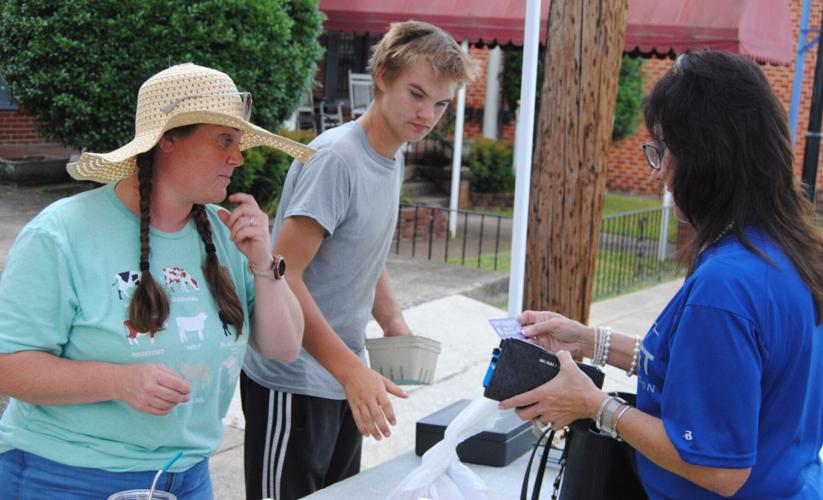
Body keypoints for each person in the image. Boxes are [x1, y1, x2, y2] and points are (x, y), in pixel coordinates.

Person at [500, 50, 823, 498]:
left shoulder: (727, 286)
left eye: (662, 151)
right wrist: (591, 341)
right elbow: (710, 372)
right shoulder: (783, 250)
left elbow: (718, 470)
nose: (661, 174)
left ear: (706, 157)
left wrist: (595, 405)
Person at [0, 63, 312, 499]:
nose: (238, 158)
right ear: (167, 141)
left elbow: (284, 348)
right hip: (66, 476)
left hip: (186, 477)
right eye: (224, 141)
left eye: (239, 144)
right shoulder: (61, 234)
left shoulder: (225, 234)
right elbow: (9, 367)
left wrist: (264, 262)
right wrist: (118, 382)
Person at [240, 20, 479, 500]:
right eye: (416, 94)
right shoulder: (336, 159)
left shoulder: (390, 155)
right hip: (295, 382)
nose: (427, 114)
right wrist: (351, 370)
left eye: (441, 104)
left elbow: (363, 247)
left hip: (345, 377)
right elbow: (282, 275)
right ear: (383, 79)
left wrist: (391, 321)